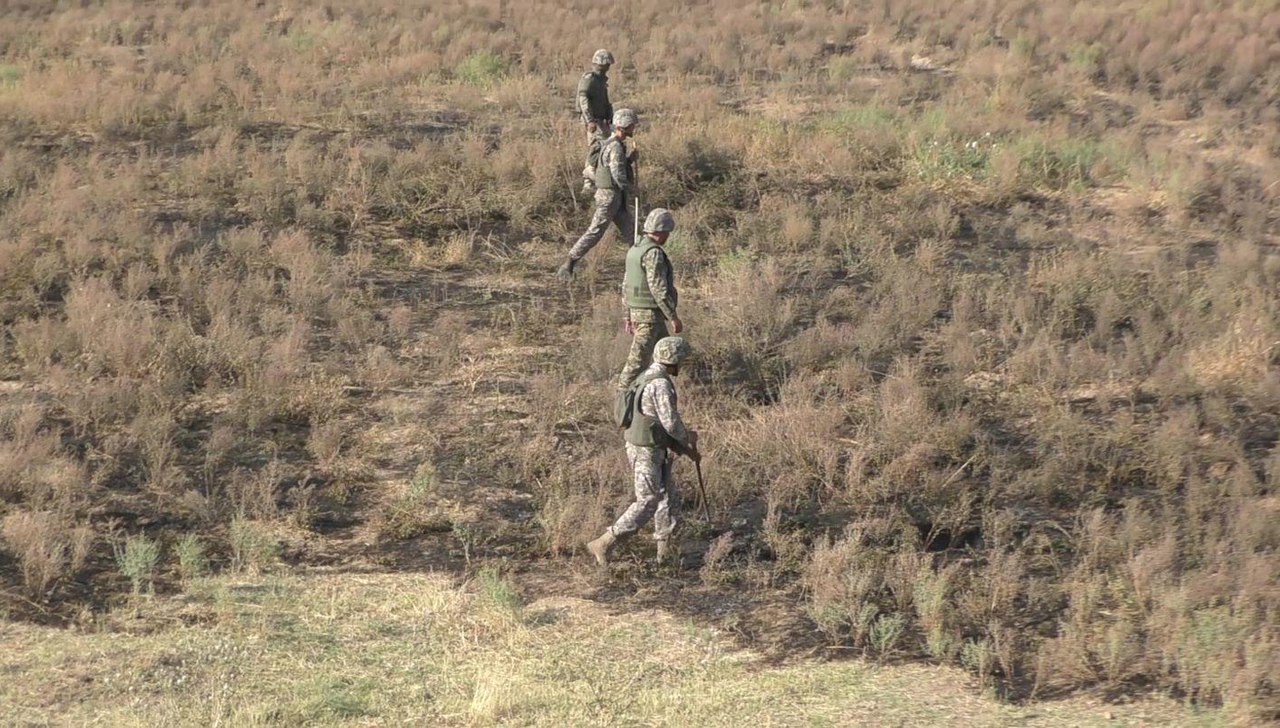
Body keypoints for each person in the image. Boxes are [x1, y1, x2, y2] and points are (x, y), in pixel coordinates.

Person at [587, 336, 699, 566]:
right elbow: (670, 423)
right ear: (673, 360)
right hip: (646, 449)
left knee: (667, 497)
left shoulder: (646, 375)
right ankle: (605, 541)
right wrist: (688, 437)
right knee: (648, 500)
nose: (682, 365)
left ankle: (664, 554)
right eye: (681, 360)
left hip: (650, 446)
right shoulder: (660, 384)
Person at [557, 108, 639, 280]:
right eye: (632, 125)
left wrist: (630, 159)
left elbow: (616, 167)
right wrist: (629, 187)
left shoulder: (615, 144)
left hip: (615, 198)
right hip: (609, 198)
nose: (634, 128)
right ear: (623, 126)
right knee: (595, 232)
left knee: (632, 232)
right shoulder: (615, 146)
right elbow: (617, 173)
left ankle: (638, 267)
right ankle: (569, 263)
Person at [617, 208, 682, 391]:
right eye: (667, 233)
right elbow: (658, 289)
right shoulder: (653, 253)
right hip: (649, 318)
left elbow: (626, 286)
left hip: (644, 316)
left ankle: (659, 394)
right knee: (636, 364)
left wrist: (627, 316)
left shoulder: (634, 251)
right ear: (661, 232)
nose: (667, 237)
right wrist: (673, 317)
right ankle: (622, 405)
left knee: (668, 358)